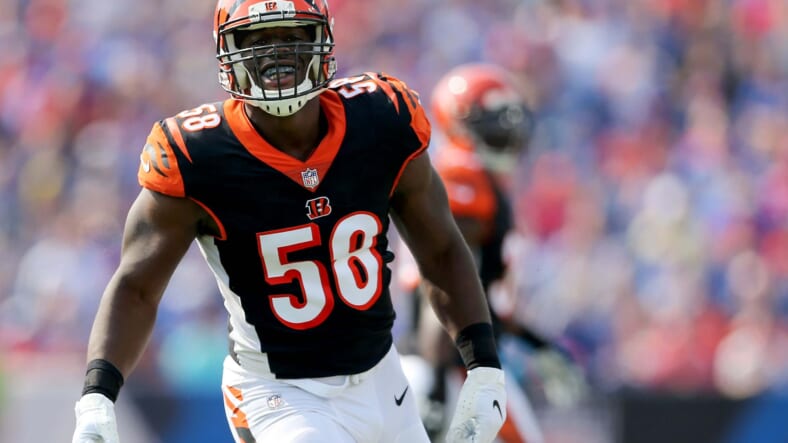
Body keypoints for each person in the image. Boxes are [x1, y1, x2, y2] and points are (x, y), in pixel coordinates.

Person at [70, 1, 507, 442]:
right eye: (258, 41)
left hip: (382, 379)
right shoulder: (197, 156)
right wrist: (97, 396)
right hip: (278, 392)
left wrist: (484, 368)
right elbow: (136, 286)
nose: (276, 53)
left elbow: (441, 249)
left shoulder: (382, 120)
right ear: (227, 51)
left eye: (291, 37)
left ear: (323, 40)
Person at [398, 63, 583, 442]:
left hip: (452, 364)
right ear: (460, 121)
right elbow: (444, 282)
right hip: (453, 368)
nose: (507, 130)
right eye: (496, 119)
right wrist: (437, 385)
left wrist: (537, 345)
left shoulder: (478, 178)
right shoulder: (460, 175)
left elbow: (482, 298)